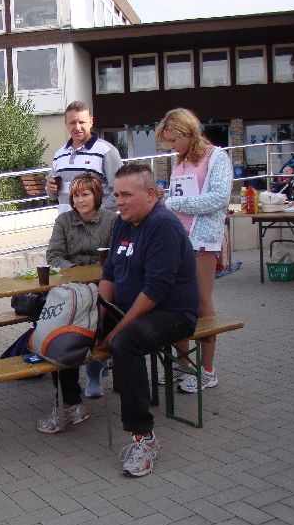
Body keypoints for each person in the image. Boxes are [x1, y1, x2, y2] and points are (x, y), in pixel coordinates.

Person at [97, 163, 198, 477]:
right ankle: (70, 406)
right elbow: (109, 274)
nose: (119, 201)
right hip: (132, 309)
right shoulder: (123, 223)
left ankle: (143, 437)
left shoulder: (163, 226)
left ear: (151, 194)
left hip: (172, 313)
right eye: (116, 195)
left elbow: (155, 291)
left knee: (126, 342)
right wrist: (97, 318)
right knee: (73, 326)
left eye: (127, 195)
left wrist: (117, 329)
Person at [158, 108, 232, 393]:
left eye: (173, 140)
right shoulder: (181, 160)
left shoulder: (217, 157)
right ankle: (183, 364)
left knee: (201, 301)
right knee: (178, 303)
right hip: (179, 239)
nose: (170, 146)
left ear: (186, 133)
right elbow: (179, 194)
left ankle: (208, 370)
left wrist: (173, 204)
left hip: (203, 240)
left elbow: (218, 199)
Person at [37, 173, 117, 432]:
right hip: (72, 289)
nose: (80, 200)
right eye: (76, 195)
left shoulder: (111, 221)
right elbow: (54, 255)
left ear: (97, 196)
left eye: (85, 194)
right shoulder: (64, 220)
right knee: (59, 333)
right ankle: (70, 401)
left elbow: (116, 259)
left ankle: (91, 379)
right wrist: (75, 272)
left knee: (89, 329)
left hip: (102, 290)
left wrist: (96, 276)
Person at [46, 101, 122, 214]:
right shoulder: (59, 154)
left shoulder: (106, 151)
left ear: (91, 121)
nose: (77, 127)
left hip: (95, 224)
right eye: (72, 123)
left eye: (82, 122)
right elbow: (52, 195)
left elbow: (120, 191)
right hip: (66, 223)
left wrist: (97, 217)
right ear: (66, 124)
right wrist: (50, 189)